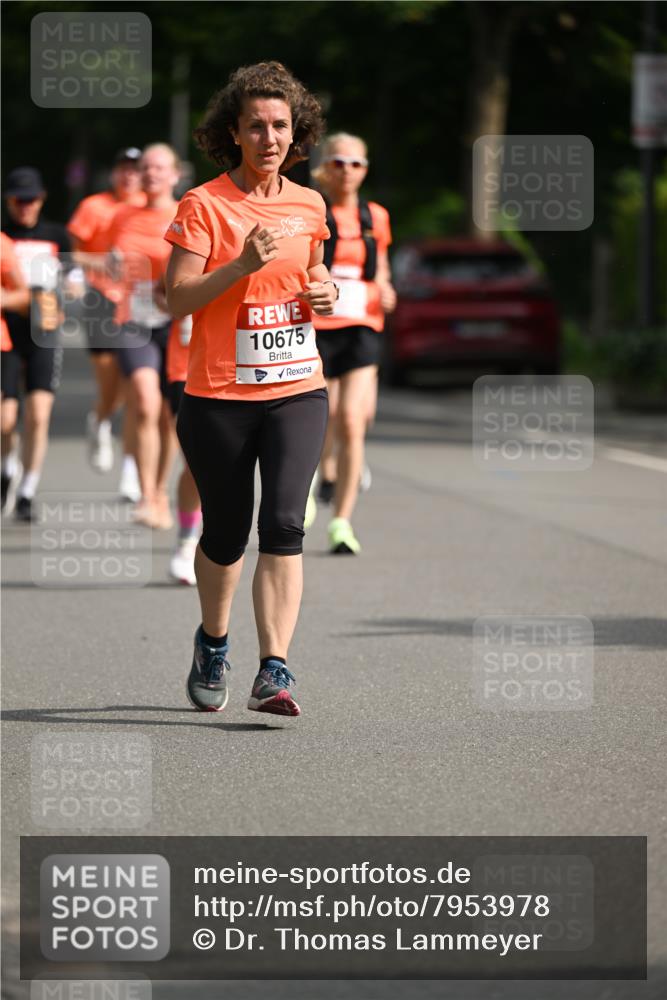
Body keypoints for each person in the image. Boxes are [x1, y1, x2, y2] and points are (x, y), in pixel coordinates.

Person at [164, 61, 337, 717]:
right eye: (256, 126)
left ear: (297, 134)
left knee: (285, 523)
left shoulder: (309, 203)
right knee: (228, 532)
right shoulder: (204, 204)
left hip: (297, 387)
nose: (269, 137)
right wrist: (240, 264)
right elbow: (176, 297)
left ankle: (275, 669)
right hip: (217, 397)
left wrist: (325, 291)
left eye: (280, 126)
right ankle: (213, 640)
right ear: (233, 133)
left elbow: (314, 276)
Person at [309, 133, 396, 553]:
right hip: (317, 326)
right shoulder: (310, 209)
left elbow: (379, 268)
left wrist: (386, 287)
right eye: (339, 162)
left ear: (365, 169)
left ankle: (342, 522)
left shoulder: (375, 215)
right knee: (322, 416)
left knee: (353, 418)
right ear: (324, 166)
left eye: (356, 163)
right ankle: (314, 485)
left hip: (362, 322)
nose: (347, 170)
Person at [108, 143, 181, 529]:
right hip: (133, 319)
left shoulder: (186, 212)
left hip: (174, 320)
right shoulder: (122, 215)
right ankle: (147, 494)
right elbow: (109, 260)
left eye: (159, 168)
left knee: (169, 416)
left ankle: (160, 493)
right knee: (145, 400)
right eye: (146, 168)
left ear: (174, 174)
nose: (150, 174)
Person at [68, 147, 145, 495]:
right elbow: (76, 253)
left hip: (135, 303)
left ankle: (130, 471)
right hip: (100, 298)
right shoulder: (93, 206)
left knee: (135, 388)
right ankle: (99, 420)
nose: (129, 176)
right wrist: (103, 265)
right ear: (114, 173)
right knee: (110, 386)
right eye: (123, 169)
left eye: (135, 169)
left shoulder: (148, 205)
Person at [1, 167, 70, 522]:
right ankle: (7, 465)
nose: (24, 206)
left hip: (44, 332)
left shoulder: (57, 235)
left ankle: (28, 490)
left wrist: (74, 289)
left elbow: (72, 279)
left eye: (31, 199)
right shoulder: (2, 237)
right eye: (18, 199)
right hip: (6, 336)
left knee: (39, 415)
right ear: (8, 201)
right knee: (6, 419)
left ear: (41, 199)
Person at [165, 312, 201, 585]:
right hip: (190, 361)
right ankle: (187, 540)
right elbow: (163, 294)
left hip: (249, 360)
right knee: (195, 462)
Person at [0, 232, 30, 513]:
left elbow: (23, 295)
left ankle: (7, 466)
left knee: (6, 420)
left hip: (2, 344)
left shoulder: (2, 245)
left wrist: (4, 299)